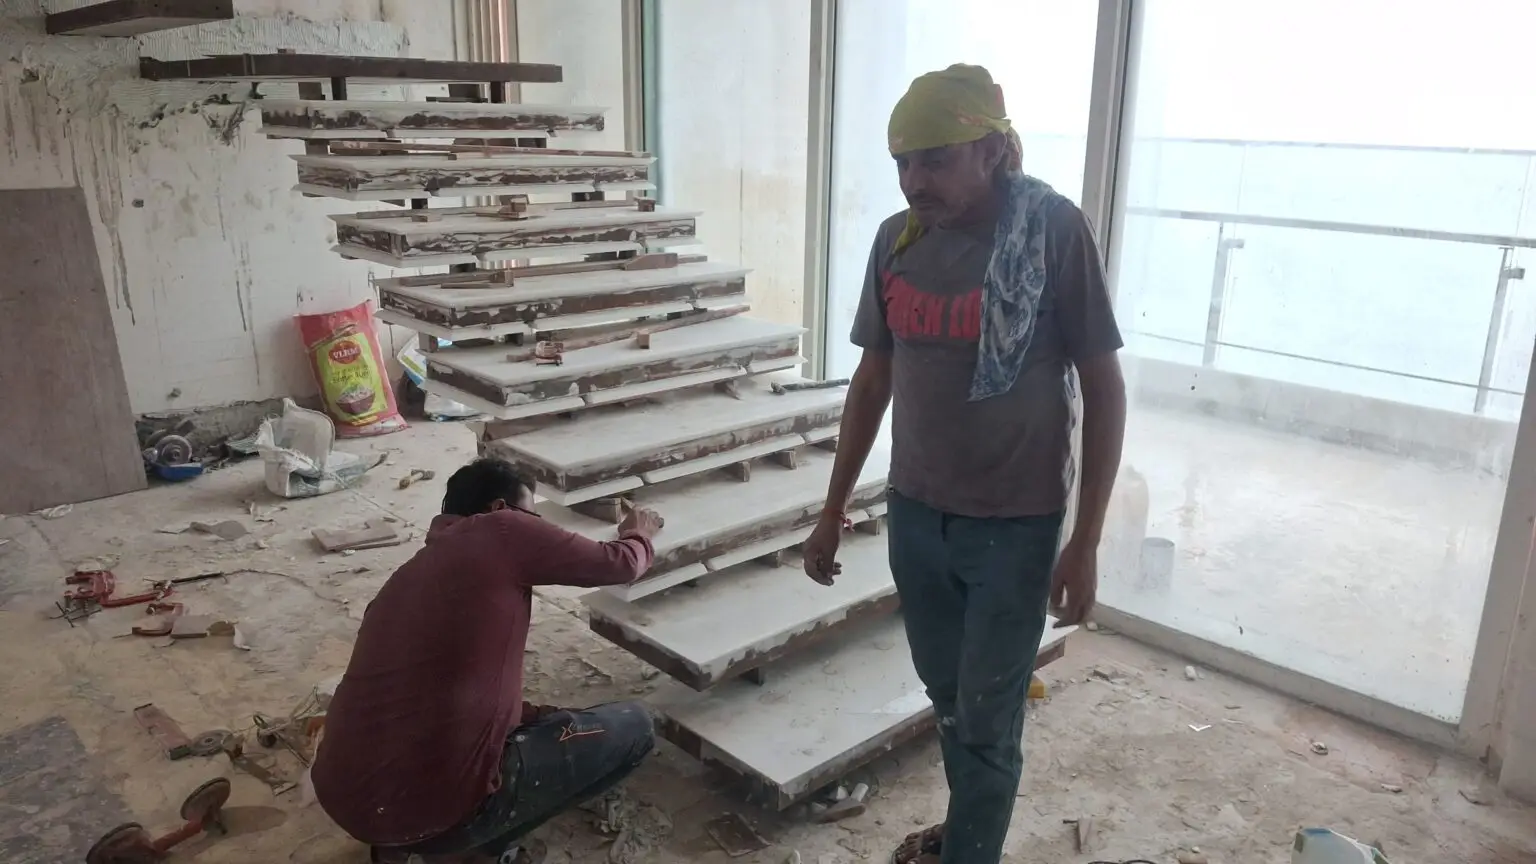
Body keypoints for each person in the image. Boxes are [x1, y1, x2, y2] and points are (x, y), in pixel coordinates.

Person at [801, 65, 1127, 864]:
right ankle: (968, 831)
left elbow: (1102, 381)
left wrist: (1085, 541)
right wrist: (833, 507)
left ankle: (969, 851)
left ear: (990, 150)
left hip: (1014, 525)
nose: (915, 182)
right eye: (903, 164)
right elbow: (873, 378)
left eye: (935, 160)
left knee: (987, 718)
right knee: (949, 700)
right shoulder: (897, 242)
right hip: (917, 514)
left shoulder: (1052, 232)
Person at [311, 457, 666, 864]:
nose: (536, 527)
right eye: (531, 515)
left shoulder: (411, 575)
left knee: (548, 724)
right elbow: (618, 563)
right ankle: (477, 850)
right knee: (635, 726)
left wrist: (539, 716)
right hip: (430, 815)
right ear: (500, 508)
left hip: (346, 799)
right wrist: (640, 532)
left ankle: (399, 844)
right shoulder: (501, 528)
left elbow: (451, 690)